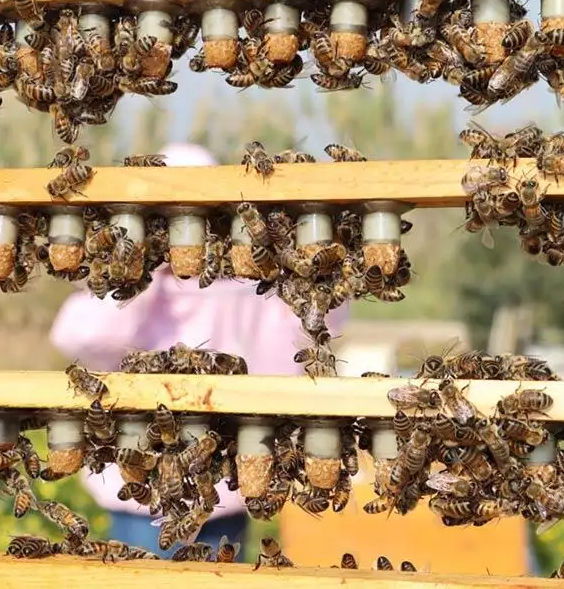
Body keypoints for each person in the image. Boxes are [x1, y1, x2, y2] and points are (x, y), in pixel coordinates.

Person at [49, 141, 349, 559]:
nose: (182, 235)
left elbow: (315, 329)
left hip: (227, 495)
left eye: (194, 222)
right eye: (168, 222)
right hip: (144, 503)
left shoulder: (249, 289)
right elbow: (81, 337)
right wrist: (139, 269)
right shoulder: (144, 287)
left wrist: (312, 263)